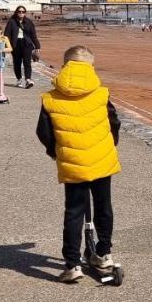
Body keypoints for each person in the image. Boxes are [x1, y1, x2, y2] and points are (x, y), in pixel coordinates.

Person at [35, 45, 122, 283]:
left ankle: (73, 264)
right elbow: (114, 123)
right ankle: (104, 252)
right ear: (90, 68)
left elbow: (43, 132)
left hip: (72, 161)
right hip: (101, 158)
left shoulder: (50, 99)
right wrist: (110, 144)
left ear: (65, 67)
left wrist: (55, 152)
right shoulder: (101, 94)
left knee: (74, 211)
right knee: (103, 206)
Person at [4, 6, 42, 89]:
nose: (21, 13)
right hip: (15, 44)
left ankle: (28, 80)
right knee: (17, 63)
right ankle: (19, 79)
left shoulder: (29, 22)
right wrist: (6, 46)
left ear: (25, 12)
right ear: (16, 12)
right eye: (19, 11)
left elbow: (33, 35)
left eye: (23, 11)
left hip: (27, 44)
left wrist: (37, 46)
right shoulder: (12, 22)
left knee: (27, 62)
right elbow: (6, 35)